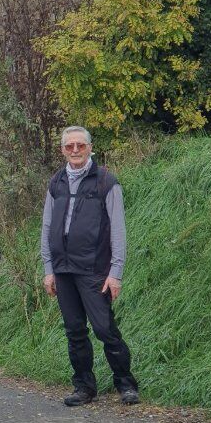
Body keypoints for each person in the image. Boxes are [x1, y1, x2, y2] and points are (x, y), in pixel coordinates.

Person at [41, 126, 139, 406]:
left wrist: (115, 273)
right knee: (74, 331)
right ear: (62, 150)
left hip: (94, 270)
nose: (75, 150)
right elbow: (46, 227)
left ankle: (126, 384)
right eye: (69, 146)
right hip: (63, 270)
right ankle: (84, 387)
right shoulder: (56, 182)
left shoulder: (106, 182)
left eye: (80, 146)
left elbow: (118, 232)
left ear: (90, 148)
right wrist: (48, 269)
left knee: (104, 329)